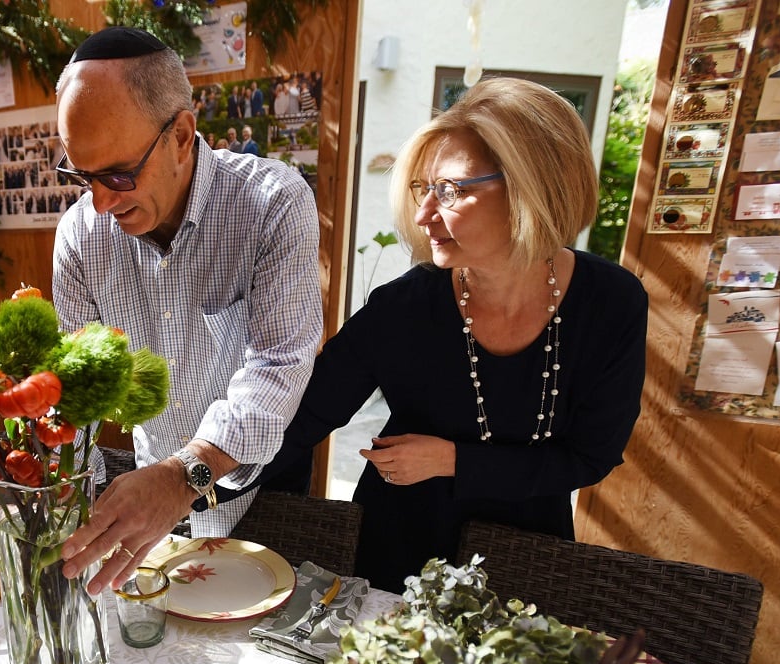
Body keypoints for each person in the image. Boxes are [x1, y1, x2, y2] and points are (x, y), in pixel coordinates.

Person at [233, 77, 648, 593]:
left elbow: (591, 456)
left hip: (524, 559)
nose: (425, 215)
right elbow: (302, 414)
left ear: (533, 186)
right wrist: (199, 480)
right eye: (422, 189)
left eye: (450, 191)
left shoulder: (611, 303)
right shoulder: (404, 307)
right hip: (395, 554)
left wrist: (450, 460)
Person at [48, 27, 322, 593]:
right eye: (81, 175)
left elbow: (279, 365)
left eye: (119, 175)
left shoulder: (272, 204)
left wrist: (182, 478)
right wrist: (67, 492)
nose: (100, 203)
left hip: (262, 490)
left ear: (181, 134)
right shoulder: (80, 235)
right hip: (152, 499)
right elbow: (79, 388)